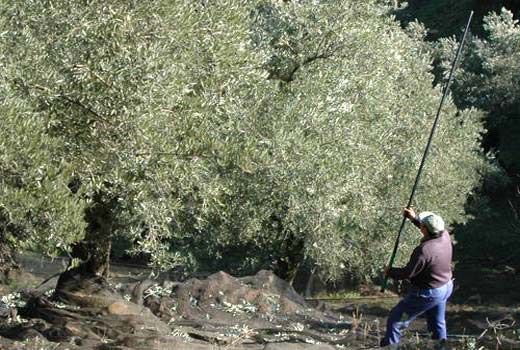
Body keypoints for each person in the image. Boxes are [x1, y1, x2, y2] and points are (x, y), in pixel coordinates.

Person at [381, 208, 453, 348]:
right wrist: (413, 219)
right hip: (445, 287)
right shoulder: (444, 235)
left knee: (396, 320)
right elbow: (428, 228)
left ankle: (390, 347)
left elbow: (408, 273)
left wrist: (390, 272)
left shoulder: (424, 251)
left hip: (427, 294)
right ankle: (441, 347)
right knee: (437, 323)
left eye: (422, 224)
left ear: (424, 229)